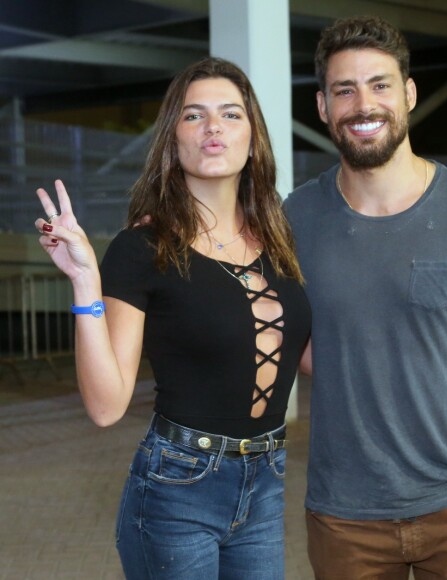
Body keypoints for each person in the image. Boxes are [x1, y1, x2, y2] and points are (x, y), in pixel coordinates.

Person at [284, 16, 447, 579]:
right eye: (345, 89)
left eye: (380, 84)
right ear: (322, 107)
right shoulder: (297, 219)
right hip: (344, 519)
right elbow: (285, 340)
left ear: (408, 93)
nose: (364, 104)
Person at [34, 57, 311, 579]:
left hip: (267, 480)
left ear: (253, 139)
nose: (213, 127)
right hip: (178, 487)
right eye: (194, 116)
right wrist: (86, 283)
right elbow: (105, 406)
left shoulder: (280, 243)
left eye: (231, 114)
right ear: (173, 139)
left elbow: (311, 353)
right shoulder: (142, 248)